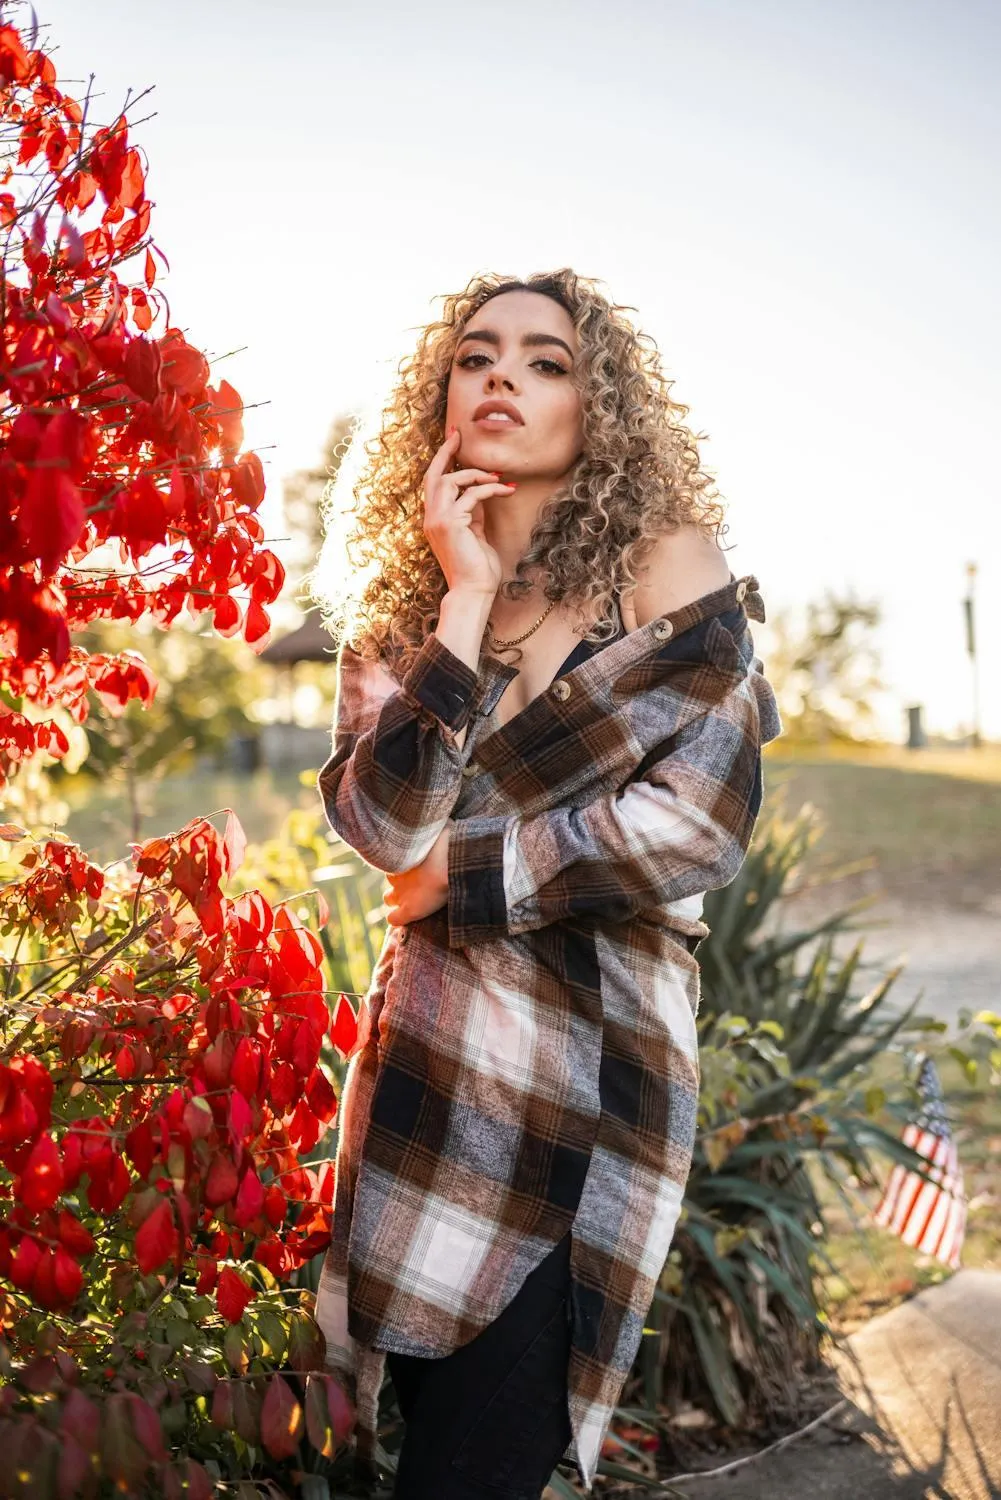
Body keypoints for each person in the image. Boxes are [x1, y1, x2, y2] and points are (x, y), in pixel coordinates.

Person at [309, 268, 782, 1498]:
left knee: (477, 1466)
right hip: (431, 1069)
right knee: (426, 1437)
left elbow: (699, 825)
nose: (502, 377)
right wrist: (463, 598)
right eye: (475, 356)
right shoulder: (401, 611)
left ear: (595, 405)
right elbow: (383, 826)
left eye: (544, 361)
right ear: (440, 396)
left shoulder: (663, 570)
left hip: (593, 1070)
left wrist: (466, 874)